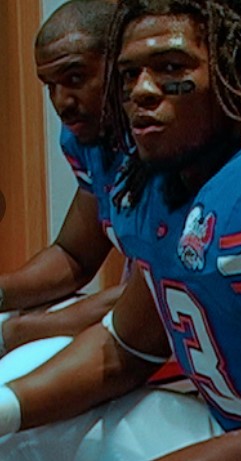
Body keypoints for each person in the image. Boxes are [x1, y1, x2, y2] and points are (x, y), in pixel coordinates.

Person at [0, 0, 241, 460]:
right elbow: (123, 349)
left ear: (240, 73)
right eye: (129, 75)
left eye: (170, 67)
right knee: (20, 402)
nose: (142, 91)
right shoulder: (158, 183)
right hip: (223, 420)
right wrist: (5, 409)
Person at [0, 0, 124, 358]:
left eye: (75, 78)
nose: (61, 102)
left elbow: (159, 297)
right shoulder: (85, 139)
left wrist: (14, 334)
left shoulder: (170, 148)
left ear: (122, 66)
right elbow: (75, 255)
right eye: (49, 86)